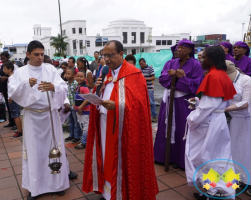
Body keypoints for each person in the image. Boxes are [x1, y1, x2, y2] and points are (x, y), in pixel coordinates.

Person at [82, 40, 158, 199]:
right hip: (103, 126)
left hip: (123, 130)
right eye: (104, 55)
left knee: (120, 161)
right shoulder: (105, 74)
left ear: (121, 54)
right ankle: (108, 192)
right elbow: (102, 95)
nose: (106, 59)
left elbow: (140, 106)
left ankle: (123, 193)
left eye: (110, 55)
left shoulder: (134, 74)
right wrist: (97, 88)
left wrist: (117, 106)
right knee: (105, 159)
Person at [8, 40, 70, 199]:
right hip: (32, 118)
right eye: (36, 54)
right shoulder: (21, 72)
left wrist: (54, 87)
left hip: (50, 116)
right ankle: (35, 188)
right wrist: (25, 84)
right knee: (34, 152)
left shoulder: (50, 69)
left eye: (42, 54)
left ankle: (57, 184)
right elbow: (12, 92)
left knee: (54, 149)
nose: (40, 57)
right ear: (28, 54)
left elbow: (64, 87)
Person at [185, 46, 236, 200]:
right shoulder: (222, 74)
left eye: (204, 57)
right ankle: (217, 190)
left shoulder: (212, 76)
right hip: (218, 120)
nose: (201, 59)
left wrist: (192, 119)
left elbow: (209, 106)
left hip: (210, 122)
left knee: (204, 157)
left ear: (212, 58)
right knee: (219, 156)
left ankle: (213, 192)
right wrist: (200, 100)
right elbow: (217, 100)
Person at [153, 39, 203, 169]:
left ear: (190, 50)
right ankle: (163, 156)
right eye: (178, 47)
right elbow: (163, 78)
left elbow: (196, 85)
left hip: (184, 102)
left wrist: (183, 78)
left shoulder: (195, 65)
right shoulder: (170, 62)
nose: (179, 50)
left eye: (182, 48)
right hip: (169, 100)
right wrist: (173, 76)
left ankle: (180, 159)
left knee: (182, 127)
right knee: (165, 126)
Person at [225, 60, 251, 196]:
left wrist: (226, 109)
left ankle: (247, 180)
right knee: (232, 151)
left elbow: (246, 102)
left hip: (244, 120)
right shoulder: (224, 79)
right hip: (230, 119)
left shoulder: (246, 80)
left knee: (244, 150)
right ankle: (234, 178)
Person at [2, 61, 23, 138]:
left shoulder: (13, 78)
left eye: (5, 69)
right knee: (17, 115)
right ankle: (21, 129)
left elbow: (14, 88)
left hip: (13, 99)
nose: (3, 70)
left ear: (10, 69)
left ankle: (19, 131)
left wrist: (11, 97)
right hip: (14, 98)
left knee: (15, 115)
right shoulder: (12, 77)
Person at [0, 51, 17, 129]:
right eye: (1, 58)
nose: (2, 60)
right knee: (8, 105)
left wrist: (6, 78)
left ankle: (15, 123)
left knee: (13, 107)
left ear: (8, 58)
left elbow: (16, 77)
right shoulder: (3, 66)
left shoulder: (14, 66)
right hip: (5, 87)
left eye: (4, 58)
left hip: (12, 89)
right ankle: (11, 121)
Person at [74, 70, 90, 149]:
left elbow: (87, 99)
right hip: (79, 110)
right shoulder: (78, 86)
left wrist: (80, 107)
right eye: (78, 76)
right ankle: (83, 139)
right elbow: (77, 97)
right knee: (81, 125)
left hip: (85, 110)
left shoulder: (84, 88)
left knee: (85, 126)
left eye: (81, 76)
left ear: (85, 78)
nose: (79, 78)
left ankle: (84, 142)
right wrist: (75, 104)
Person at [64, 68, 81, 144]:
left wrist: (76, 105)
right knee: (70, 121)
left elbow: (78, 95)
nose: (67, 75)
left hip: (74, 106)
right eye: (66, 73)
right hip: (68, 106)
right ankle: (71, 135)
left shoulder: (75, 84)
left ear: (74, 76)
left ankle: (77, 136)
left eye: (69, 74)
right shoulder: (66, 83)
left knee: (76, 122)